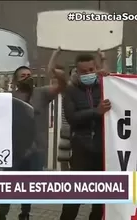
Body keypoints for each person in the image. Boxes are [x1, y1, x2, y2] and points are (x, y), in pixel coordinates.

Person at [0, 48, 67, 220]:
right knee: (8, 185)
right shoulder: (9, 97)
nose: (27, 77)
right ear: (15, 81)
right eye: (23, 76)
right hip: (15, 150)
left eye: (29, 74)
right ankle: (2, 213)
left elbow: (62, 86)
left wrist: (57, 72)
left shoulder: (42, 93)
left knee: (29, 186)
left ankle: (25, 213)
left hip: (37, 150)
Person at [59, 52, 110, 220]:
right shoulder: (70, 91)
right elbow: (72, 118)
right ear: (77, 72)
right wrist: (96, 112)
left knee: (101, 199)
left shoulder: (104, 85)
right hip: (81, 149)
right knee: (74, 197)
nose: (89, 73)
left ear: (96, 68)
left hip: (103, 149)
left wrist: (109, 78)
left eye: (91, 69)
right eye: (84, 71)